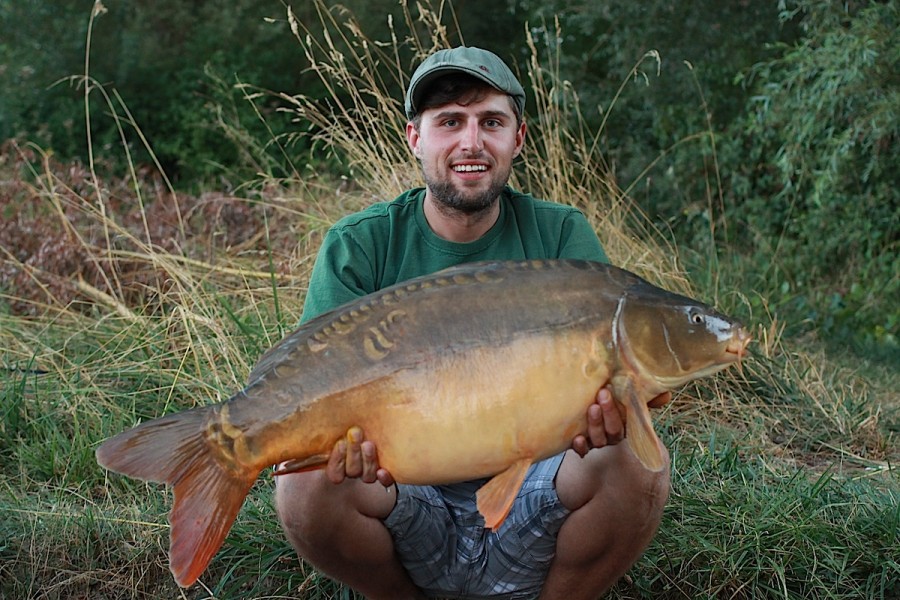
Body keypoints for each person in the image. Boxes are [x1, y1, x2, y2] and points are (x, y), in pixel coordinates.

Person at [274, 46, 671, 600]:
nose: (471, 142)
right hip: (401, 493)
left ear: (519, 137)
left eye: (491, 122)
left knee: (636, 457)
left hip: (539, 486)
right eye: (449, 122)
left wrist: (618, 410)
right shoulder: (359, 245)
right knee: (304, 482)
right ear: (415, 137)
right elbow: (305, 387)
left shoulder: (560, 237)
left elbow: (632, 383)